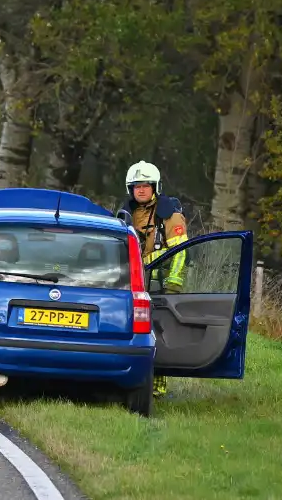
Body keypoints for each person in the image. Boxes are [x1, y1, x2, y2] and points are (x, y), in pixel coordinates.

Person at [118, 160, 190, 398]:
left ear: (155, 187)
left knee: (156, 334)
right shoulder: (123, 215)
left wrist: (173, 285)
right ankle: (124, 380)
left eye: (146, 185)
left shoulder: (170, 216)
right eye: (136, 185)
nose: (141, 189)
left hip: (159, 287)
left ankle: (156, 387)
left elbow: (180, 253)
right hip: (130, 285)